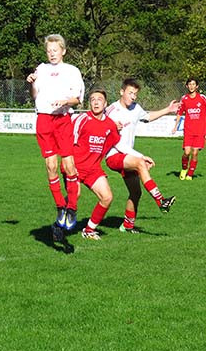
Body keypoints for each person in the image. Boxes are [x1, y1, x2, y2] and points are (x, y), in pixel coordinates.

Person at [26, 34, 85, 241]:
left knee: (69, 167)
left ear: (63, 51)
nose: (52, 53)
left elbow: (77, 98)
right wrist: (32, 82)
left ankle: (73, 208)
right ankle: (61, 206)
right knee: (51, 166)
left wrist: (65, 100)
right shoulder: (40, 69)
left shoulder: (72, 71)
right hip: (44, 120)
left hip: (63, 120)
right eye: (49, 50)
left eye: (55, 50)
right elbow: (35, 95)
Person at [73, 89, 148, 240]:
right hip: (75, 166)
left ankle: (89, 230)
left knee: (107, 197)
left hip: (93, 169)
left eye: (99, 99)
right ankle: (59, 226)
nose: (95, 102)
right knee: (73, 198)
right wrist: (68, 165)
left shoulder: (109, 125)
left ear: (105, 104)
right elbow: (70, 141)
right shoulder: (81, 119)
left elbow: (119, 145)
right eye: (93, 99)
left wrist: (141, 156)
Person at [105, 78, 178, 233]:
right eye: (130, 93)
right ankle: (161, 201)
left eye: (135, 94)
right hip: (114, 155)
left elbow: (147, 116)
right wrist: (141, 156)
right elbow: (117, 143)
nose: (133, 97)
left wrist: (168, 109)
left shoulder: (136, 108)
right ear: (121, 92)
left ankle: (127, 226)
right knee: (140, 163)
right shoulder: (112, 111)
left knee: (136, 193)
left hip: (127, 156)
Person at [172, 78, 206, 180]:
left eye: (193, 84)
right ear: (187, 86)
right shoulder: (184, 99)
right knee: (186, 152)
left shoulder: (202, 98)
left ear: (197, 86)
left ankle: (190, 174)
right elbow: (179, 112)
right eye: (189, 84)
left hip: (200, 131)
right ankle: (184, 169)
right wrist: (175, 126)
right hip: (188, 130)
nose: (191, 86)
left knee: (195, 153)